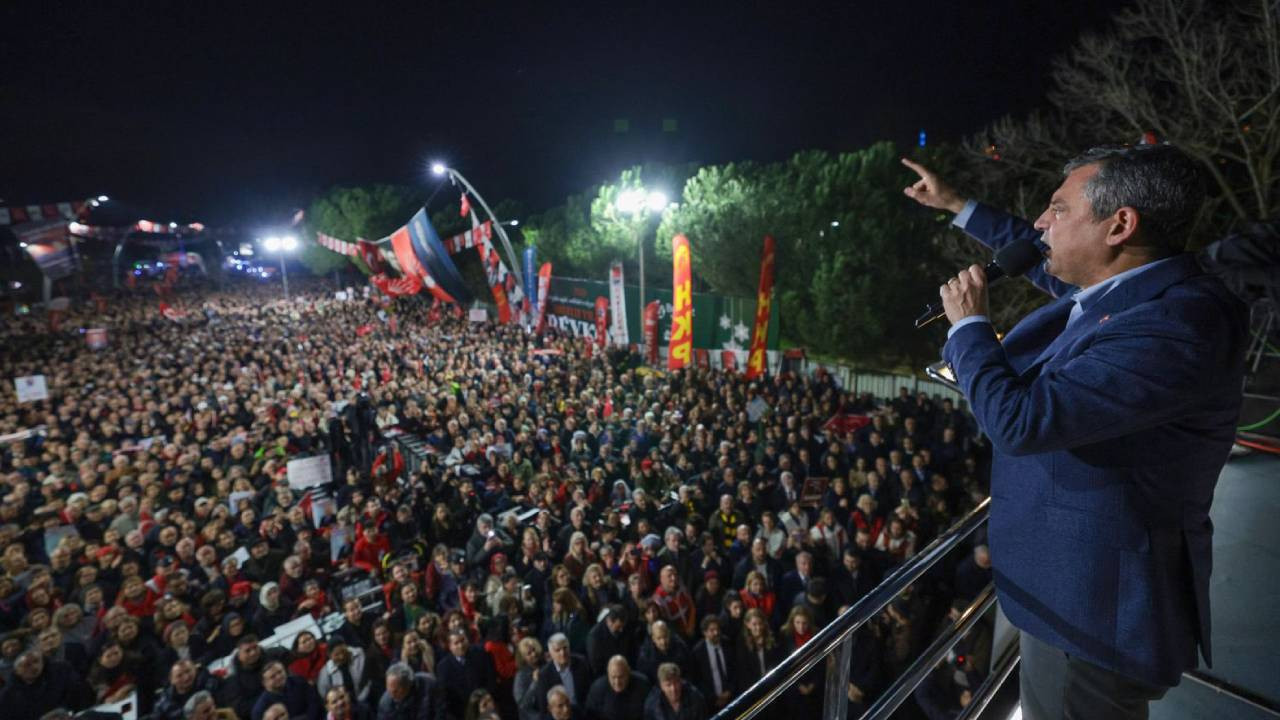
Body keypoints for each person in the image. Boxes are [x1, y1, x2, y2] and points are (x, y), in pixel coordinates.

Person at [903, 144, 1246, 718]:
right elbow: (1037, 254)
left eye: (1058, 208)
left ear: (1120, 225)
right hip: (1077, 590)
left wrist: (970, 329)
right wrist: (957, 204)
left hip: (1095, 610)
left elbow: (1019, 423)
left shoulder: (1175, 324)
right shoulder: (1136, 291)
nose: (1040, 222)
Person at [584, 655, 651, 720]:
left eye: (621, 677)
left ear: (628, 672)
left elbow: (649, 713)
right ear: (608, 674)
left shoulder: (642, 685)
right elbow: (590, 716)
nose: (617, 682)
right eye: (613, 677)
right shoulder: (597, 689)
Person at [689, 616, 734, 712]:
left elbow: (734, 670)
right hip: (710, 704)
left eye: (717, 629)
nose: (716, 633)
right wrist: (714, 698)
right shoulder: (697, 652)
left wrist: (730, 691)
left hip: (732, 699)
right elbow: (697, 679)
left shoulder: (727, 644)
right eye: (712, 630)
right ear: (704, 632)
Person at [376, 662, 444, 720]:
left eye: (396, 691)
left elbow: (441, 712)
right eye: (388, 689)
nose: (391, 694)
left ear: (408, 684)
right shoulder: (386, 702)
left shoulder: (429, 685)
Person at [642, 662, 707, 720]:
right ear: (661, 686)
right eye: (668, 685)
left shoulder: (695, 697)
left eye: (676, 683)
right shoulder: (652, 703)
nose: (673, 689)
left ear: (681, 681)